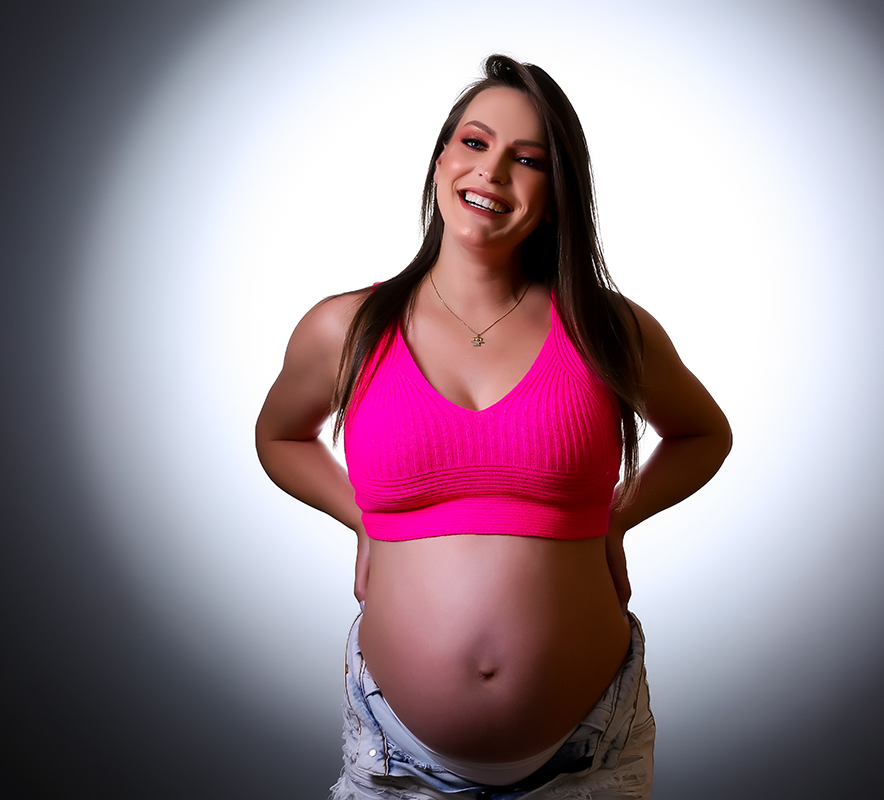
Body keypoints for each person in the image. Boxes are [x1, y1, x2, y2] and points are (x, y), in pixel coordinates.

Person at [256, 55, 731, 800]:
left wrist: (616, 518)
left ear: (557, 195)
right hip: (397, 762)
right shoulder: (344, 328)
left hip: (589, 758)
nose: (493, 171)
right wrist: (364, 516)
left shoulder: (604, 328)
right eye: (475, 143)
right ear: (441, 159)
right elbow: (279, 436)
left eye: (528, 159)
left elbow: (703, 434)